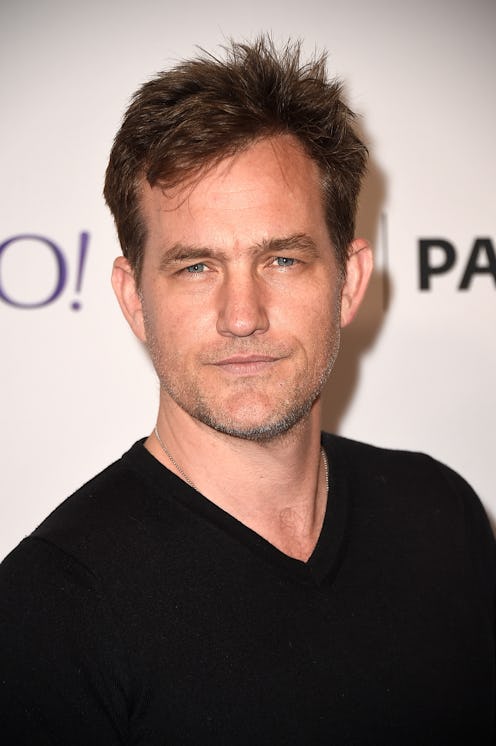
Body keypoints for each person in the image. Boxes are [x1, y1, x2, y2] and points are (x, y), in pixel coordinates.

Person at [1, 37, 494, 745]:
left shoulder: (440, 514)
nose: (242, 316)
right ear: (134, 299)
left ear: (349, 282)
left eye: (283, 259)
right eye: (196, 267)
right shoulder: (50, 607)